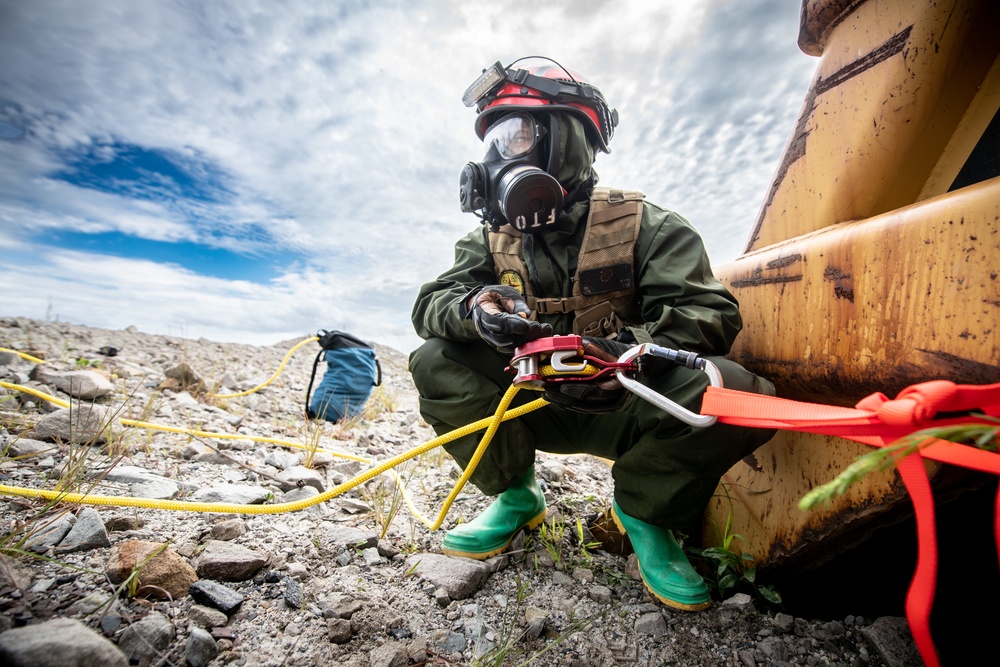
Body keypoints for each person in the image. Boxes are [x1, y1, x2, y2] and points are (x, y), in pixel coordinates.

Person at [408, 57, 775, 611]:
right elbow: (429, 305)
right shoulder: (490, 238)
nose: (497, 156)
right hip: (531, 400)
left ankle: (647, 515)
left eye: (515, 134)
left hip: (626, 399)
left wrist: (628, 355)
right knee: (434, 357)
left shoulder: (648, 226)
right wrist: (474, 308)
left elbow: (709, 312)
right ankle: (516, 495)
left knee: (741, 397)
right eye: (493, 138)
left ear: (568, 138)